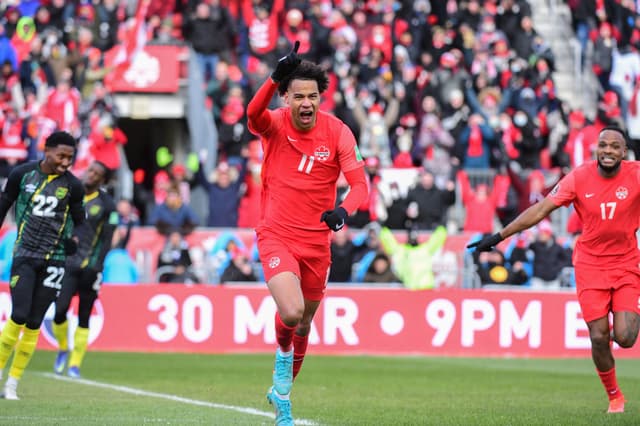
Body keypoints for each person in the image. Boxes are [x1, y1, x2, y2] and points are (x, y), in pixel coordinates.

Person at [467, 126, 639, 414]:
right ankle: (615, 397)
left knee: (625, 337)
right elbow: (539, 210)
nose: (608, 151)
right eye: (603, 145)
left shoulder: (636, 174)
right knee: (598, 336)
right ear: (596, 148)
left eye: (614, 147)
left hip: (625, 263)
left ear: (624, 152)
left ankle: (626, 317)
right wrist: (500, 236)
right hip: (590, 264)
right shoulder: (579, 177)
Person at [246, 41, 368, 425]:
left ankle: (282, 393)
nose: (305, 103)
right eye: (297, 95)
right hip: (276, 234)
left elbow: (361, 186)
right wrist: (273, 77)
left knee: (304, 323)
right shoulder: (275, 124)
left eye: (312, 96)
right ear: (286, 98)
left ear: (320, 98)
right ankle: (281, 367)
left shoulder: (338, 132)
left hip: (317, 243)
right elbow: (252, 113)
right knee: (292, 310)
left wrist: (344, 211)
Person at [0, 131, 84, 400]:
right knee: (19, 315)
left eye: (70, 157)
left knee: (35, 322)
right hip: (24, 254)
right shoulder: (21, 175)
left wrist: (73, 241)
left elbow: (80, 223)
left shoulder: (74, 186)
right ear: (46, 150)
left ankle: (12, 384)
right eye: (61, 155)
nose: (65, 162)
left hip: (55, 261)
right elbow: (4, 205)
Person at [52, 161, 117, 378]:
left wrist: (98, 265)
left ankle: (75, 364)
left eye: (97, 174)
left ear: (103, 180)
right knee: (59, 311)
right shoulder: (72, 194)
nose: (91, 175)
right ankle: (63, 347)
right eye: (90, 170)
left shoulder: (108, 205)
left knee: (84, 315)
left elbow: (107, 240)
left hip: (90, 267)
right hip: (68, 264)